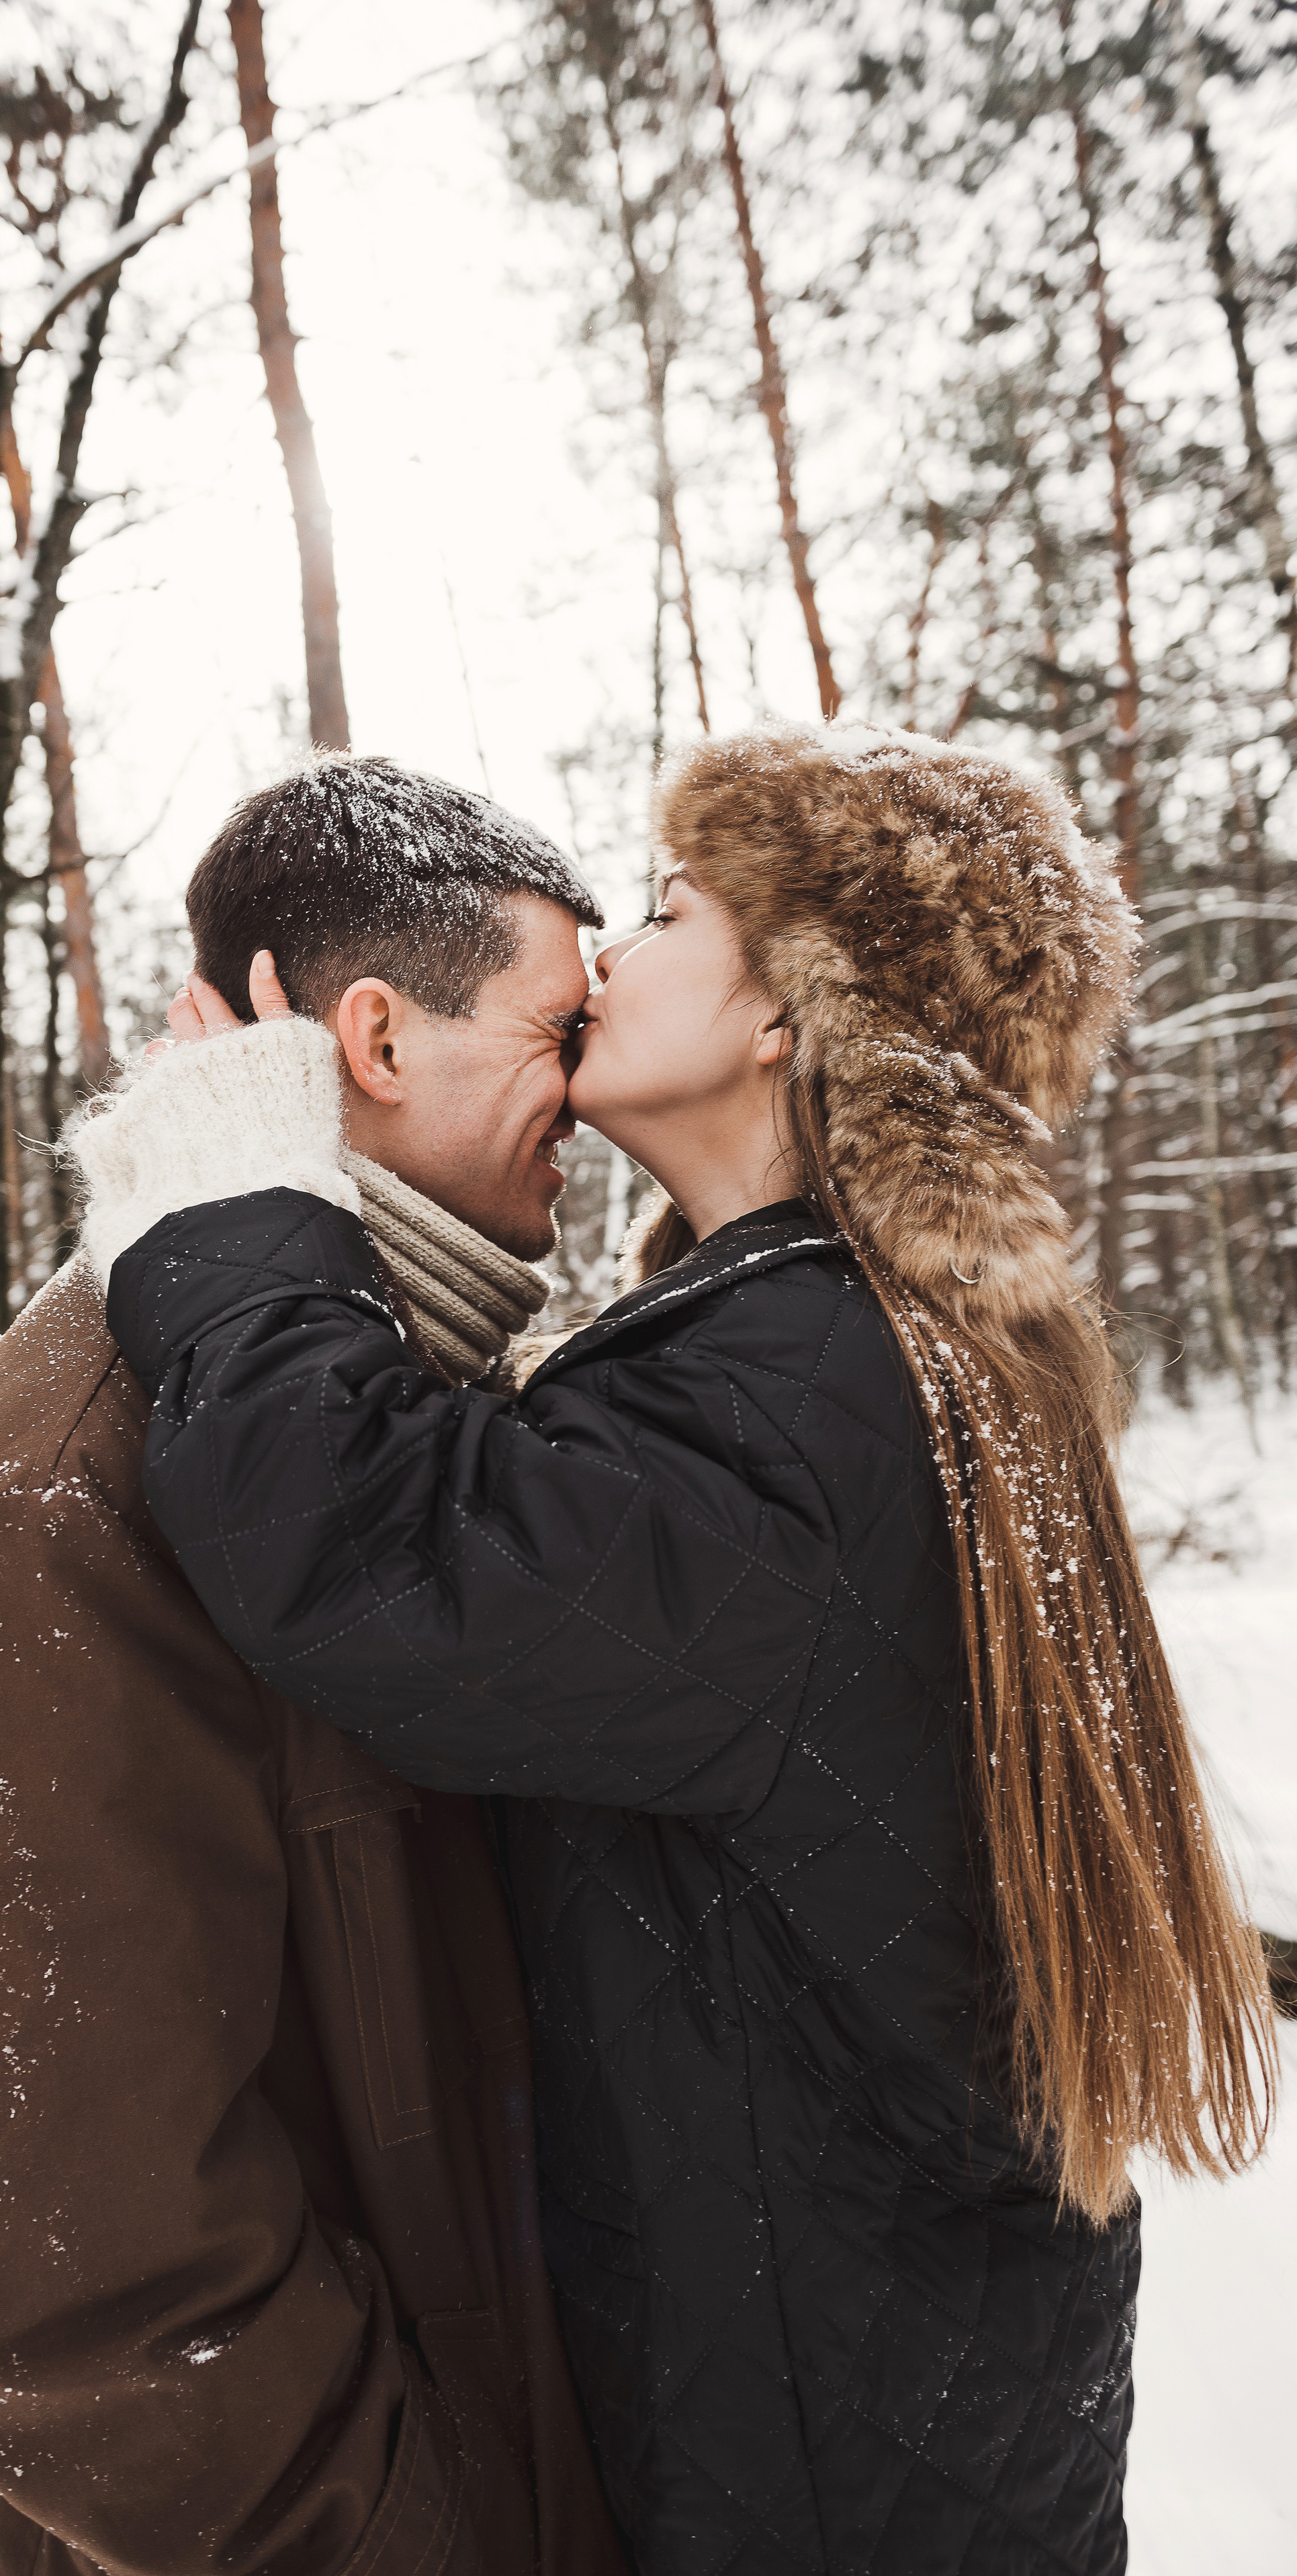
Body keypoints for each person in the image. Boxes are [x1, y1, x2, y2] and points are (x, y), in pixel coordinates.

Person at [93, 724, 1279, 2576]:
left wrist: (243, 1196)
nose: (605, 964)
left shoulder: (794, 1399)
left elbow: (363, 1553)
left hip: (829, 2462)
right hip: (913, 2389)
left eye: (667, 913)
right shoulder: (859, 1351)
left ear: (789, 1010)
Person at [0, 758, 629, 2576]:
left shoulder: (383, 1434)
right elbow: (80, 2279)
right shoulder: (76, 1487)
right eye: (559, 1029)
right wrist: (431, 2536)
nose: (592, 1090)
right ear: (377, 1036)